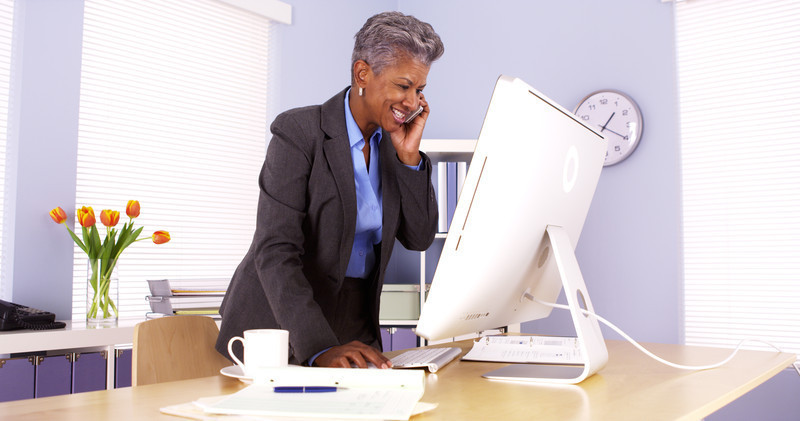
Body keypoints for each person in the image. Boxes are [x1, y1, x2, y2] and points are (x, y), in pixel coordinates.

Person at [215, 11, 444, 369]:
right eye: (403, 86)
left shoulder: (392, 147)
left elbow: (418, 238)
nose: (413, 102)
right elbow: (275, 250)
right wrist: (320, 347)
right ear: (362, 73)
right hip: (284, 320)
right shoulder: (299, 132)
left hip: (354, 320)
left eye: (419, 90)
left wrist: (409, 158)